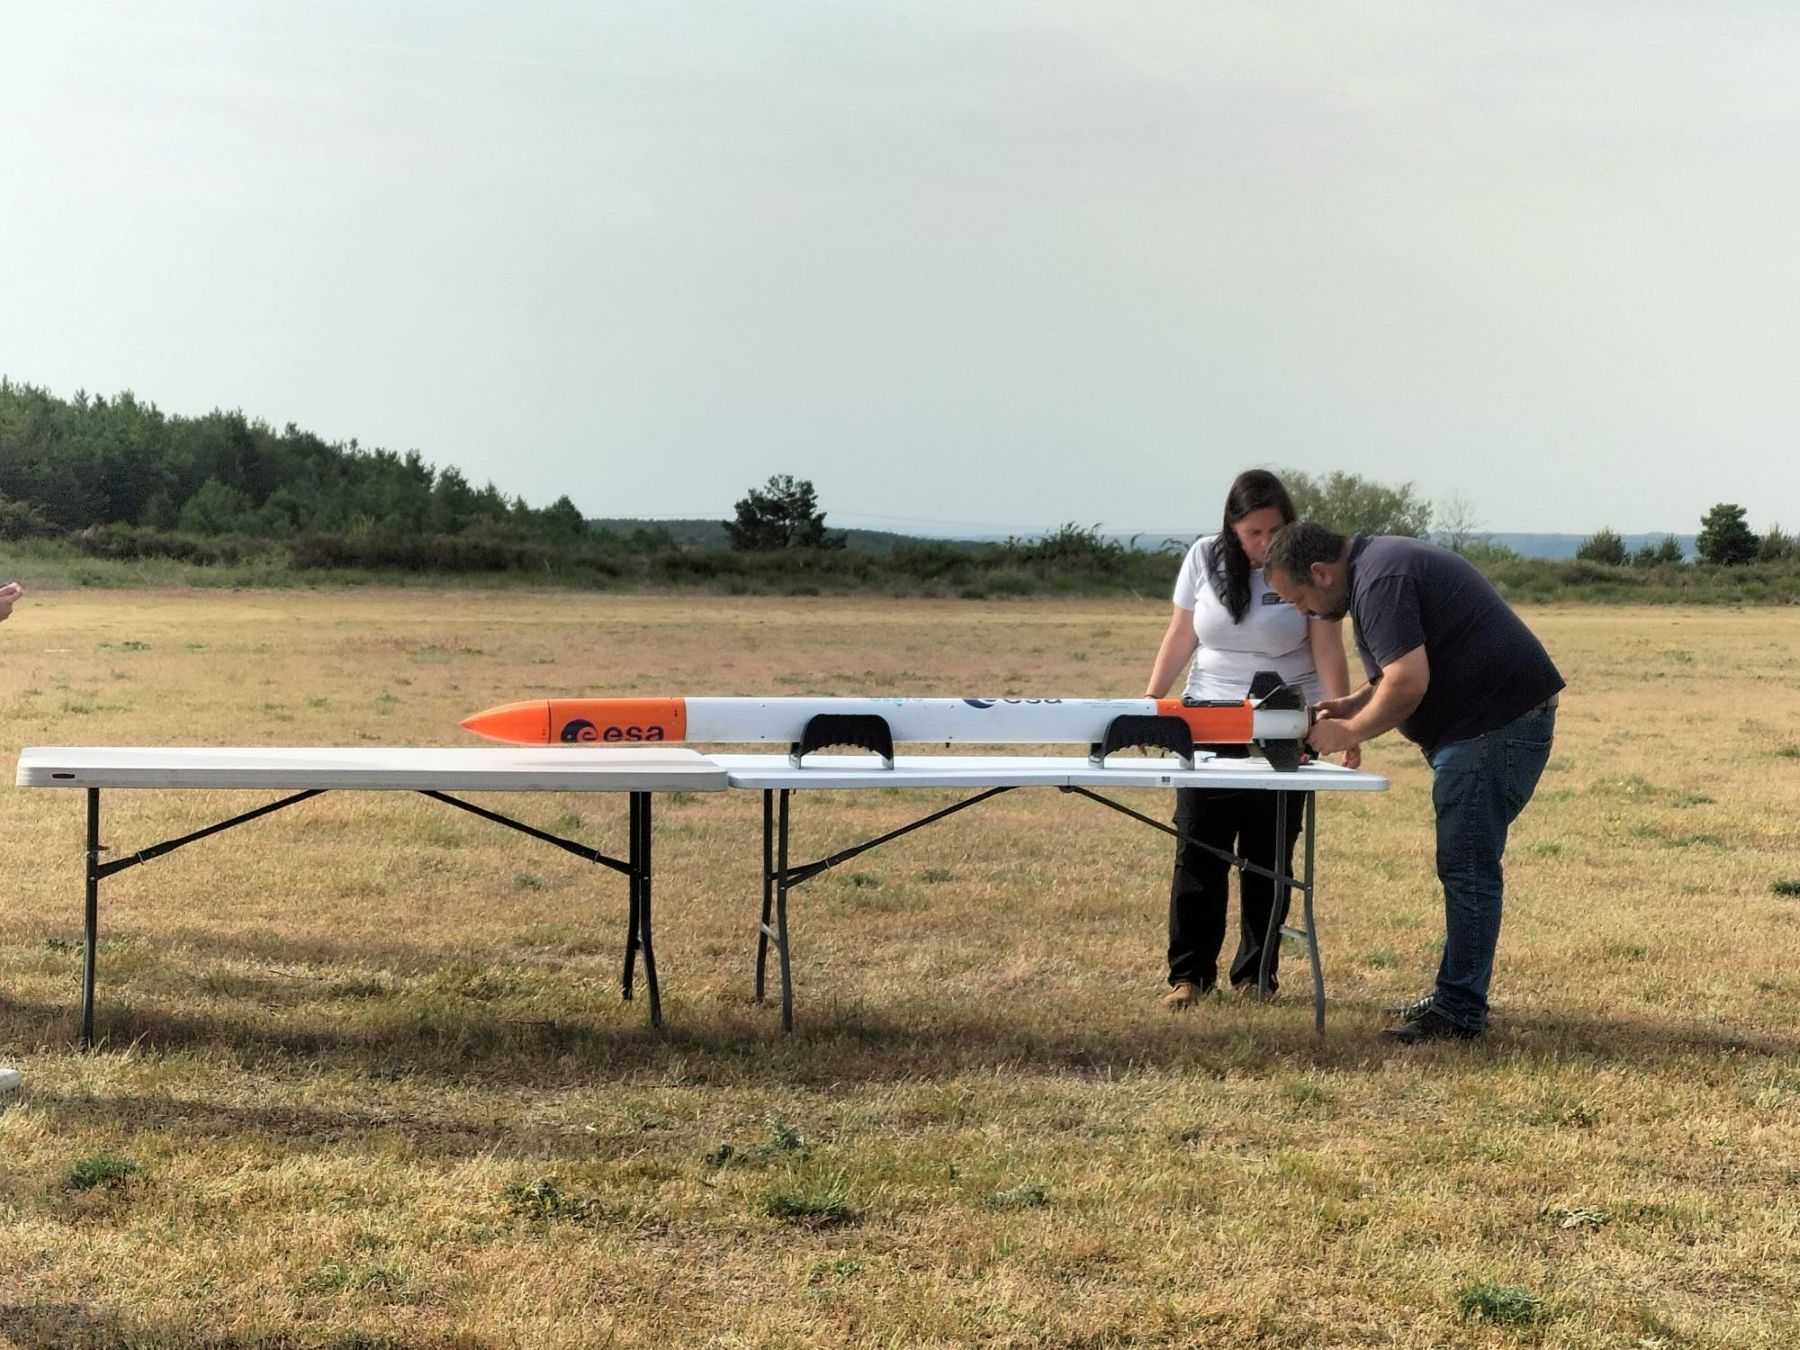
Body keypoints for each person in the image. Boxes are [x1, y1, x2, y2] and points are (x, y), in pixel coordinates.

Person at [1262, 522, 1563, 1044]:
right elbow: (1401, 666)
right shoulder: (1378, 567)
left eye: (1301, 600)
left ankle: (1460, 1011)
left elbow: (1408, 681)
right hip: (1491, 725)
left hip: (1492, 728)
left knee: (1468, 867)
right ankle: (1455, 995)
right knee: (1464, 864)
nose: (1304, 612)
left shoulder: (1381, 580)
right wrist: (1355, 702)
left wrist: (1349, 731)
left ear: (1321, 572)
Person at [1142, 472, 1354, 1010]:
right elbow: (1181, 633)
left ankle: (1257, 977)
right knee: (1198, 849)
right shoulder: (1202, 557)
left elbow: (1327, 646)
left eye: (1274, 530)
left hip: (1285, 724)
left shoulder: (1306, 564)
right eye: (1253, 533)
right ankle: (1189, 977)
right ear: (1232, 529)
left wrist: (1344, 721)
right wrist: (1150, 703)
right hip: (1207, 722)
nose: (1264, 543)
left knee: (1269, 855)